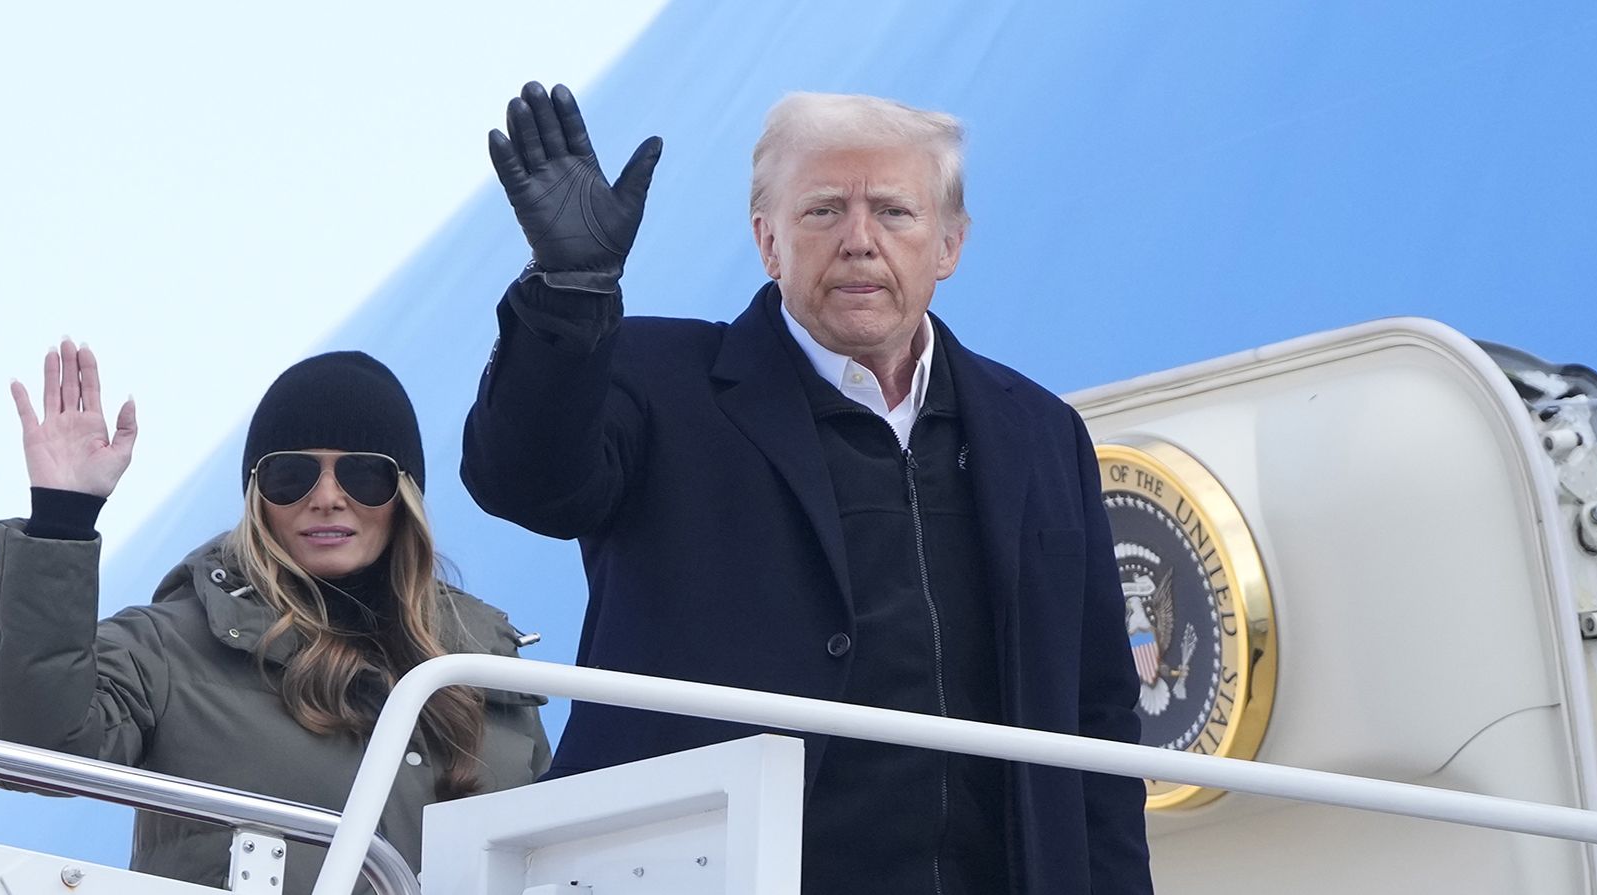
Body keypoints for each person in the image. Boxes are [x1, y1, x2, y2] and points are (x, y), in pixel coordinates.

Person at [462, 83, 1151, 893]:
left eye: (894, 212)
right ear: (768, 241)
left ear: (950, 245)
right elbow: (522, 479)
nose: (860, 240)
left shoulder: (1039, 431)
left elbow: (1098, 717)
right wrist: (569, 293)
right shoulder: (656, 385)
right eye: (824, 210)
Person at [0, 343, 550, 893]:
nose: (326, 496)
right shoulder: (171, 646)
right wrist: (62, 518)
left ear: (404, 494)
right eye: (290, 474)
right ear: (256, 494)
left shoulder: (481, 661)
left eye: (362, 474)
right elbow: (25, 748)